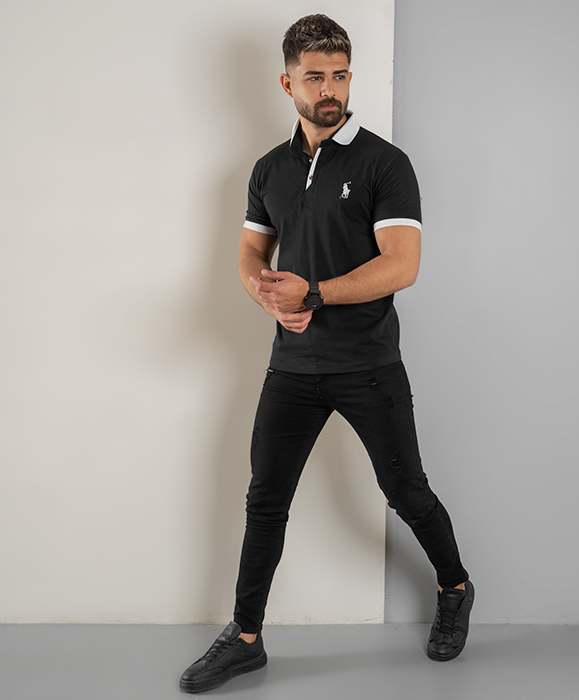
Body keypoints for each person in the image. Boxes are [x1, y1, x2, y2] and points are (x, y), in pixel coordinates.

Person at [179, 14, 474, 694]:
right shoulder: (269, 169)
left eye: (340, 75)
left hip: (368, 364)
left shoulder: (384, 163)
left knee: (406, 491)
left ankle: (455, 587)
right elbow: (251, 251)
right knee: (265, 499)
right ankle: (245, 638)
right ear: (288, 84)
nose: (330, 89)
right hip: (291, 367)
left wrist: (313, 292)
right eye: (315, 77)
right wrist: (268, 298)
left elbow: (402, 266)